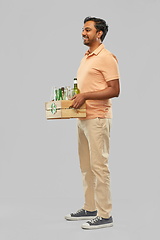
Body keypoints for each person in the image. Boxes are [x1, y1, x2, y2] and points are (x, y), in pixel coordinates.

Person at [65, 16, 120, 230]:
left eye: (87, 30)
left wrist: (86, 95)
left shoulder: (106, 57)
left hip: (98, 119)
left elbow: (115, 90)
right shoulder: (87, 57)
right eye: (82, 29)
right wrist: (77, 97)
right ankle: (90, 208)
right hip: (83, 118)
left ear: (99, 33)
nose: (83, 33)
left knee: (99, 167)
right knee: (86, 167)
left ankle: (105, 215)